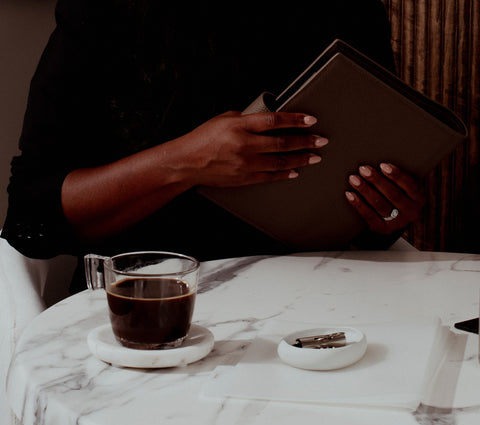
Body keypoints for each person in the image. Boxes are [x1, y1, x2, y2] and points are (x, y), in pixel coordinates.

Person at [1, 0, 424, 293]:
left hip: (315, 298)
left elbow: (367, 181)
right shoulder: (104, 11)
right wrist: (185, 162)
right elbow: (32, 217)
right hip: (148, 303)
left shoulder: (347, 9)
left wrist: (387, 214)